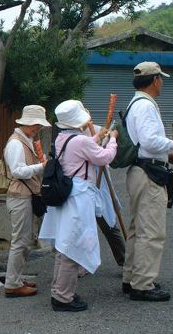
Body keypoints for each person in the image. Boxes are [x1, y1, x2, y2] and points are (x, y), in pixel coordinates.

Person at [39, 100, 118, 312]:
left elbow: (80, 149)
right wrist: (112, 140)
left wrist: (97, 137)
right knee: (73, 248)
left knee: (64, 245)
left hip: (67, 195)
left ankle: (60, 292)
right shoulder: (79, 141)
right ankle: (63, 298)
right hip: (79, 197)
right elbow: (104, 157)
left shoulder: (62, 138)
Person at [122, 61, 173, 302]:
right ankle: (143, 284)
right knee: (151, 231)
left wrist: (167, 153)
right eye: (161, 78)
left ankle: (132, 277)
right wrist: (172, 145)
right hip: (148, 174)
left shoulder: (135, 103)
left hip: (141, 170)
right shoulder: (145, 106)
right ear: (154, 80)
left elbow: (143, 142)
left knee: (138, 229)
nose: (163, 83)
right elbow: (149, 140)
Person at [2, 105, 51, 298]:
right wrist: (41, 166)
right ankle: (12, 283)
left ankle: (16, 279)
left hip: (24, 195)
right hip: (20, 196)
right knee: (20, 242)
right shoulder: (16, 143)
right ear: (29, 123)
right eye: (37, 125)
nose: (38, 129)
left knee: (23, 241)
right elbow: (17, 171)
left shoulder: (25, 140)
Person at [85, 123, 126, 267]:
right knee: (81, 228)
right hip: (81, 186)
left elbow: (106, 151)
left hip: (98, 181)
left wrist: (108, 138)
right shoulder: (70, 136)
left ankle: (124, 260)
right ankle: (79, 263)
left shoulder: (96, 130)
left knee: (108, 221)